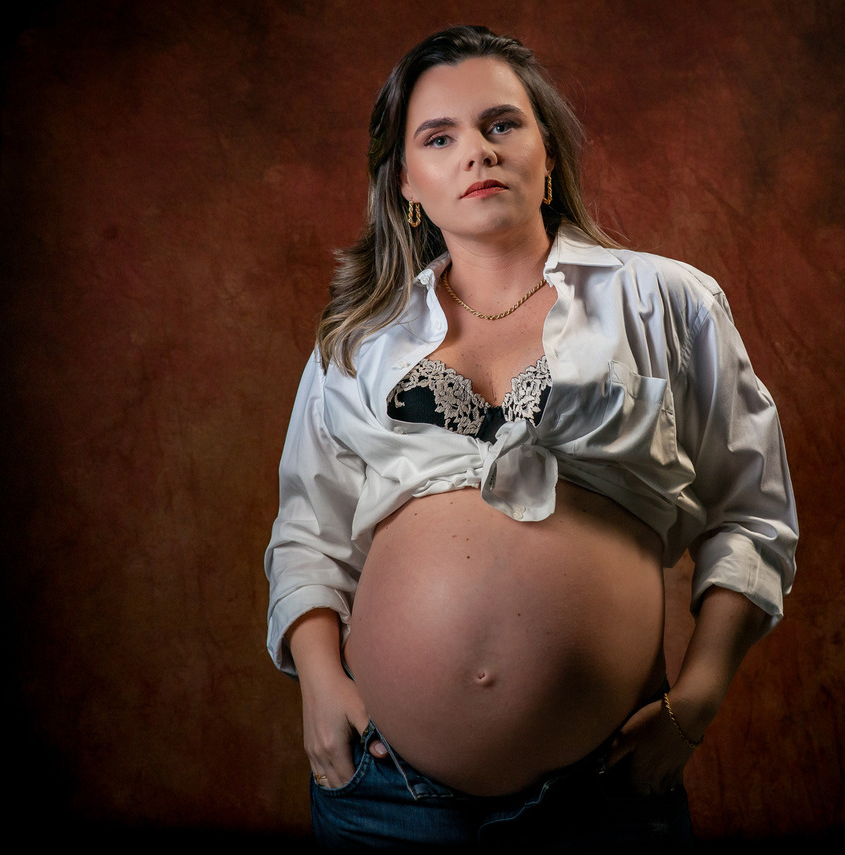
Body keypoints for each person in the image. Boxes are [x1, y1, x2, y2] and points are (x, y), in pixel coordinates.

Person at [265, 25, 798, 852]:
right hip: (384, 796)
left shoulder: (667, 301)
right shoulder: (359, 342)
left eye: (501, 124)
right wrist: (320, 684)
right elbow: (308, 530)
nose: (476, 151)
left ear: (546, 155)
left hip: (607, 796)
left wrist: (695, 700)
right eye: (439, 137)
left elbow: (753, 514)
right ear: (407, 183)